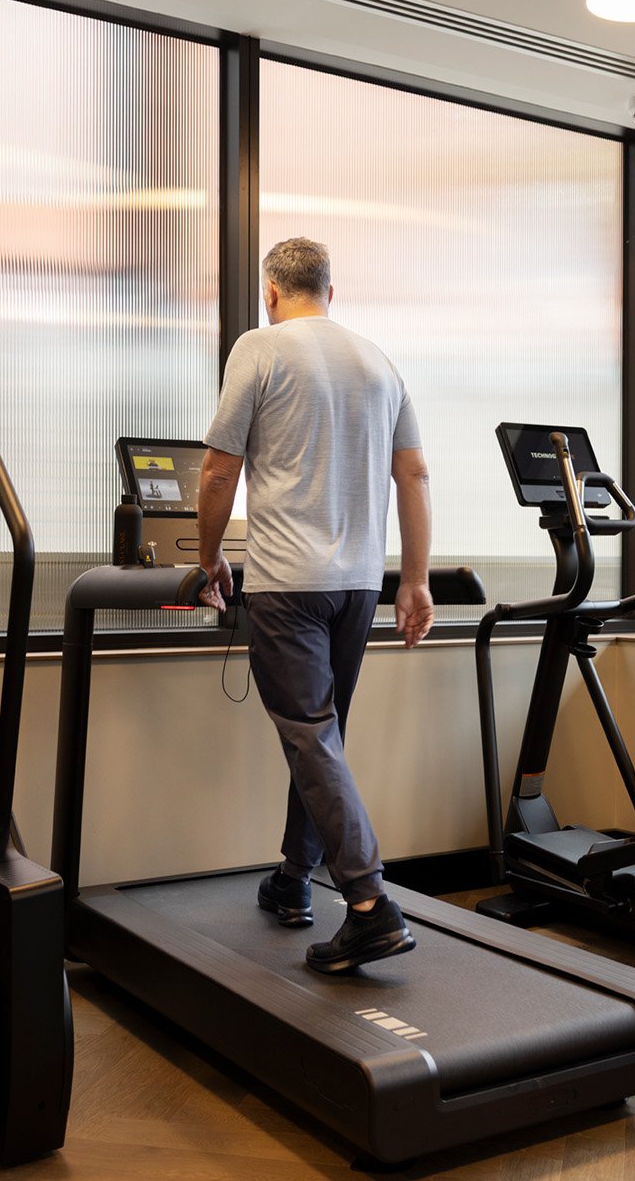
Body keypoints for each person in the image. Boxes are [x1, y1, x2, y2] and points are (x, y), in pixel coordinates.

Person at [195, 237, 434, 975]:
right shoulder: (378, 360)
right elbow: (415, 473)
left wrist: (207, 561)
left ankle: (369, 904)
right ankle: (294, 880)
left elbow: (217, 469)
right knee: (321, 738)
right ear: (332, 289)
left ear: (272, 291)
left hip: (286, 584)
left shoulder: (259, 350)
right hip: (359, 584)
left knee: (309, 736)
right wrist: (414, 580)